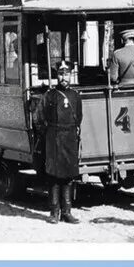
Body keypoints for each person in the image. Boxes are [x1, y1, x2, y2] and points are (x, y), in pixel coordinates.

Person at [32, 59, 82, 224]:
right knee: (53, 176)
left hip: (69, 140)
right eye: (60, 74)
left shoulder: (75, 96)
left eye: (66, 74)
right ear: (56, 76)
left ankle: (67, 212)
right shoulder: (50, 95)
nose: (63, 78)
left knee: (68, 176)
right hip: (53, 139)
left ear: (70, 75)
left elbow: (79, 118)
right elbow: (38, 118)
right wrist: (48, 134)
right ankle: (54, 212)